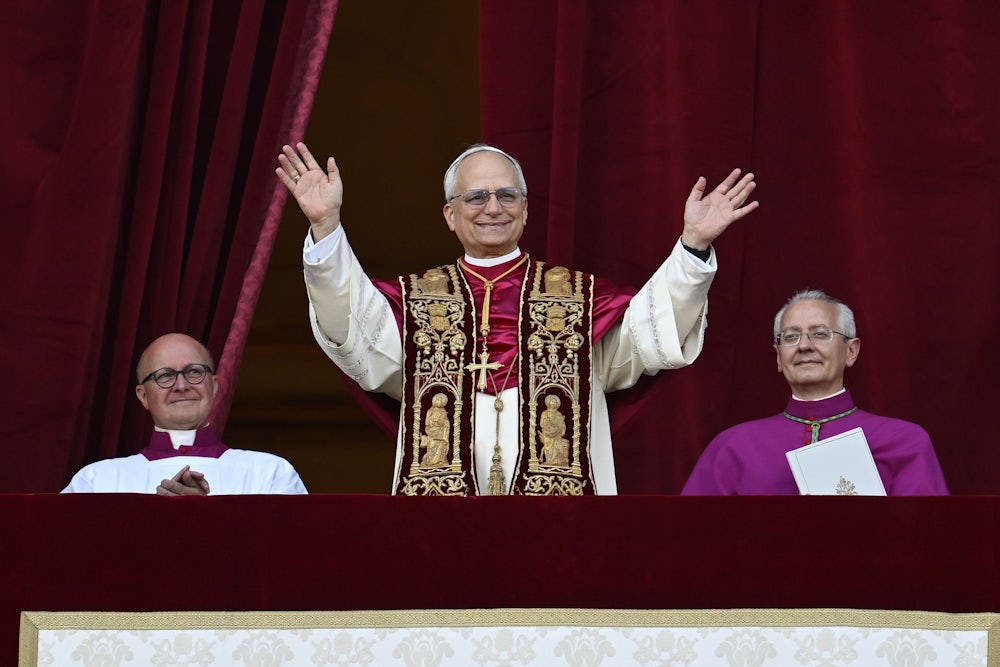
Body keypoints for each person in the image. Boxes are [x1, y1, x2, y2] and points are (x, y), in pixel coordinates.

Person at [276, 141, 758, 495]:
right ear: (449, 213)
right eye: (476, 197)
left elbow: (650, 333)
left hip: (560, 516)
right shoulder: (414, 300)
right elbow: (352, 331)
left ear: (526, 210)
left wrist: (693, 245)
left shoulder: (579, 298)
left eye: (507, 196)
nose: (493, 208)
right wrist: (325, 226)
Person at [681, 289, 949, 496]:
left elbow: (928, 542)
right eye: (790, 336)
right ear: (778, 357)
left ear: (851, 351)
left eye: (820, 334)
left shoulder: (905, 442)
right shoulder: (733, 447)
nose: (804, 346)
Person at [63, 333, 308, 495]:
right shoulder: (96, 482)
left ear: (213, 386)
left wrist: (208, 519)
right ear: (143, 396)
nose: (181, 385)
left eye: (193, 372)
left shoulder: (270, 474)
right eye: (165, 376)